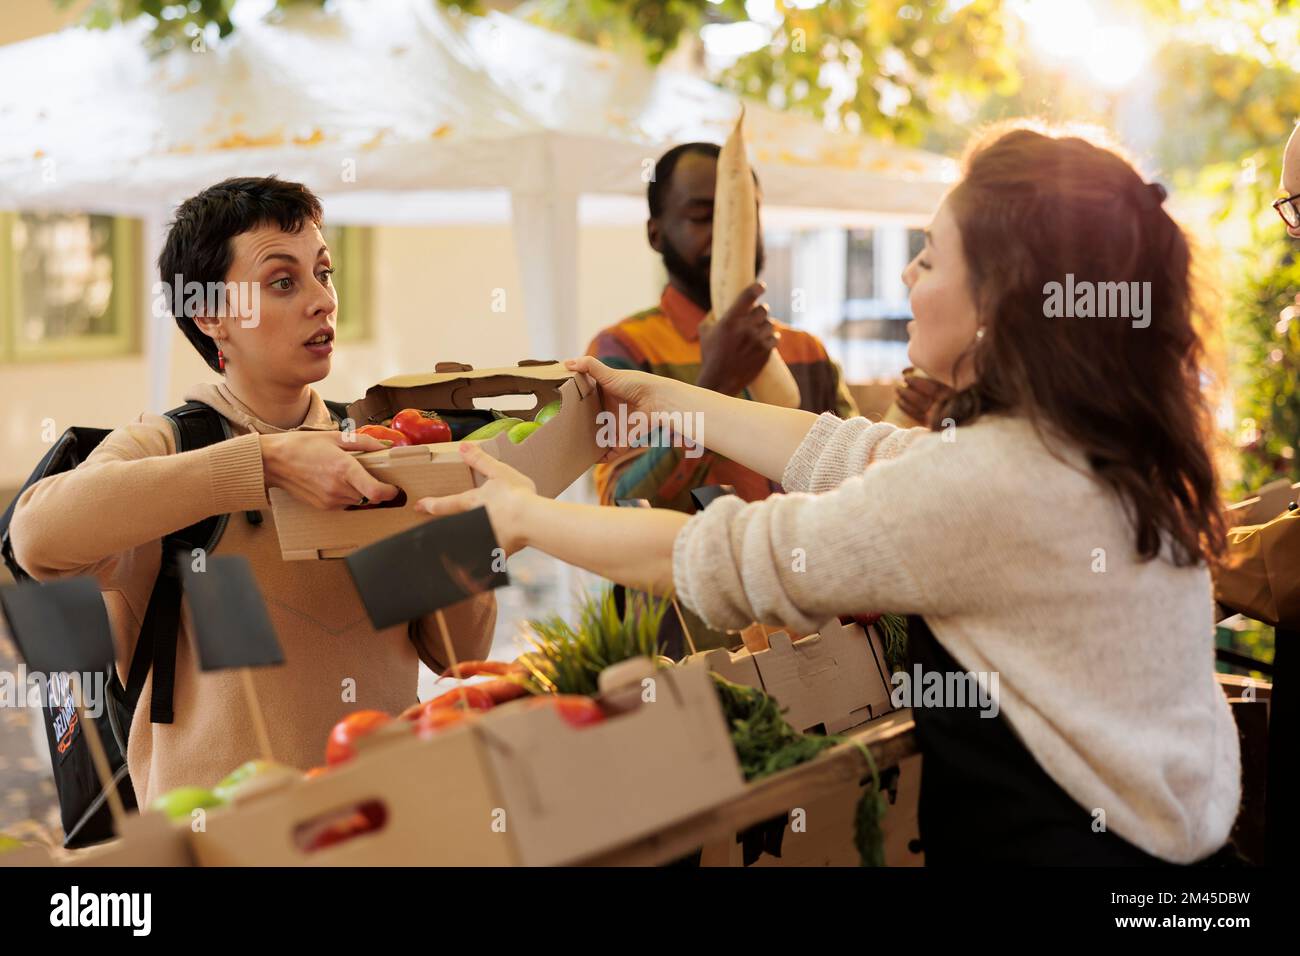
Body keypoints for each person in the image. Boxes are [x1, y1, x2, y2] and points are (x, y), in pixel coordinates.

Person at [418, 125, 1242, 865]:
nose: (907, 272)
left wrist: (522, 516)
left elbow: (729, 557)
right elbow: (854, 449)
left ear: (999, 299)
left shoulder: (996, 477)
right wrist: (669, 395)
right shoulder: (1095, 444)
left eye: (928, 254)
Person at [9, 177, 495, 807]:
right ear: (210, 314)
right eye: (283, 282)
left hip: (380, 824)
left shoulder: (378, 449)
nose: (322, 301)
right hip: (219, 839)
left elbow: (458, 654)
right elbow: (36, 537)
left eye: (324, 272)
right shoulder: (169, 444)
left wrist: (459, 519)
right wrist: (262, 462)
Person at [586, 142, 858, 652]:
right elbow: (624, 506)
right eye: (702, 216)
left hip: (815, 639)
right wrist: (713, 385)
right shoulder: (623, 351)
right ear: (656, 233)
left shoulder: (805, 352)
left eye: (743, 215)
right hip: (684, 648)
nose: (729, 233)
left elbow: (855, 490)